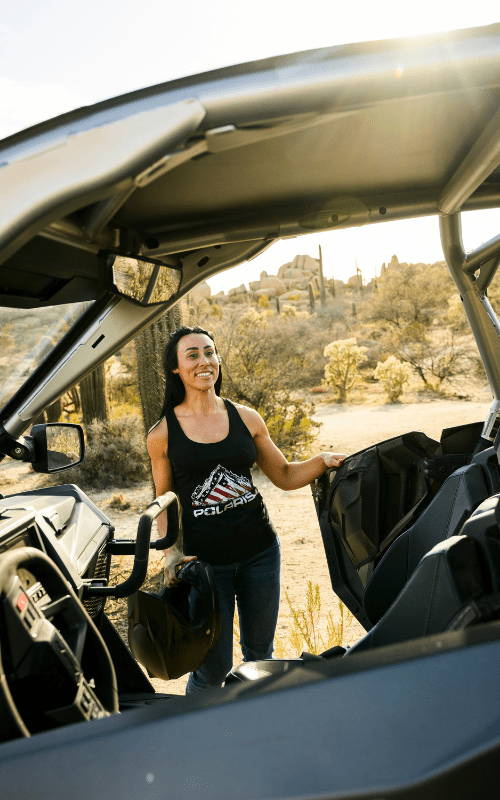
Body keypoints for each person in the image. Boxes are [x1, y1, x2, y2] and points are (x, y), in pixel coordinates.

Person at [147, 325, 346, 694]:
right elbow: (164, 499)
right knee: (213, 668)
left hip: (260, 555)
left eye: (210, 352)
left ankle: (255, 720)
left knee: (260, 657)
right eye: (192, 355)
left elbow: (284, 475)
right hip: (206, 566)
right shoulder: (162, 434)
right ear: (175, 368)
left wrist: (322, 460)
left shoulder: (247, 418)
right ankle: (200, 725)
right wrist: (170, 551)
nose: (204, 361)